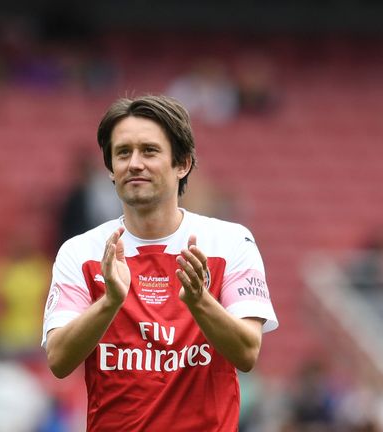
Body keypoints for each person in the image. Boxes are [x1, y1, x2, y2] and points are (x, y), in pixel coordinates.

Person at [42, 95, 278, 430]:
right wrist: (109, 302)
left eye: (149, 151)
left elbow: (247, 352)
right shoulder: (81, 252)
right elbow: (58, 360)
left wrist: (199, 302)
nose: (134, 163)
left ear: (182, 163)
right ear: (110, 169)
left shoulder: (230, 242)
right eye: (123, 153)